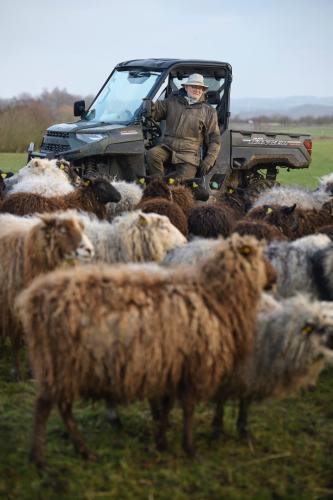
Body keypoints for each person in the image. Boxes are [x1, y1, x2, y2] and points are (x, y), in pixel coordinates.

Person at [145, 73, 221, 179]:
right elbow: (157, 111)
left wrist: (209, 160)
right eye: (194, 86)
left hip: (188, 154)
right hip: (167, 147)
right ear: (186, 87)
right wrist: (150, 105)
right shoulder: (172, 101)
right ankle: (159, 186)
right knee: (152, 155)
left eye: (200, 87)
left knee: (182, 183)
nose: (197, 90)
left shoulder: (209, 111)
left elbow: (214, 139)